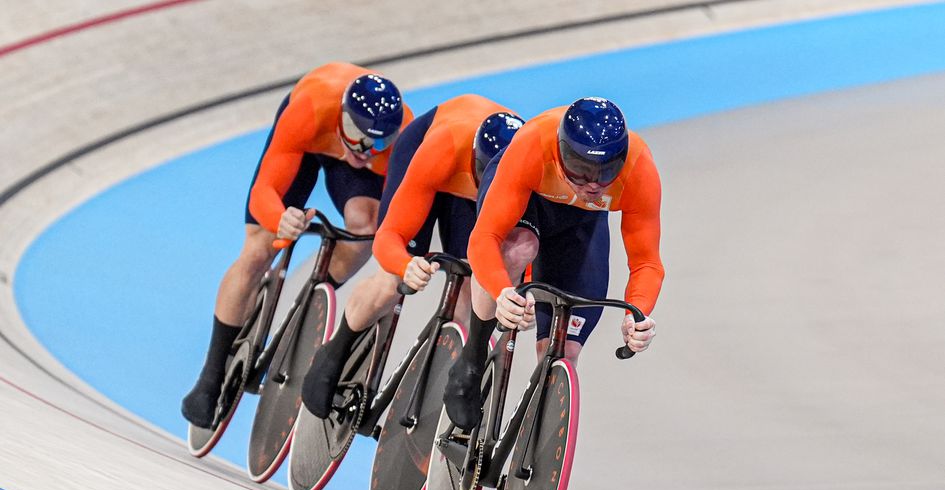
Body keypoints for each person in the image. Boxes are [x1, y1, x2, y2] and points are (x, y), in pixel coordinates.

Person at [182, 62, 412, 428]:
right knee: (259, 249)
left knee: (367, 227)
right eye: (360, 139)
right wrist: (280, 219)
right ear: (342, 120)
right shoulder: (309, 111)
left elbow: (396, 222)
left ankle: (306, 306)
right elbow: (264, 193)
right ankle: (210, 373)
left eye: (380, 143)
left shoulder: (395, 143)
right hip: (310, 139)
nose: (368, 151)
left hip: (346, 143)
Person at [444, 96, 663, 432]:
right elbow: (483, 238)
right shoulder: (533, 144)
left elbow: (646, 261)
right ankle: (472, 360)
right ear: (560, 152)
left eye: (606, 171)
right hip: (529, 199)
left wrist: (638, 312)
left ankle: (533, 450)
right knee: (519, 249)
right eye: (580, 168)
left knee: (564, 351)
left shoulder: (639, 168)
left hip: (580, 222)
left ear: (621, 159)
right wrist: (502, 291)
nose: (592, 183)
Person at [300, 94, 524, 418]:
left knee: (474, 286)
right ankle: (335, 350)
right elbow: (388, 237)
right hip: (435, 152)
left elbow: (521, 248)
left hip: (474, 175)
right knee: (392, 282)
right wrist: (406, 264)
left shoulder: (524, 172)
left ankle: (445, 374)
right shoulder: (441, 150)